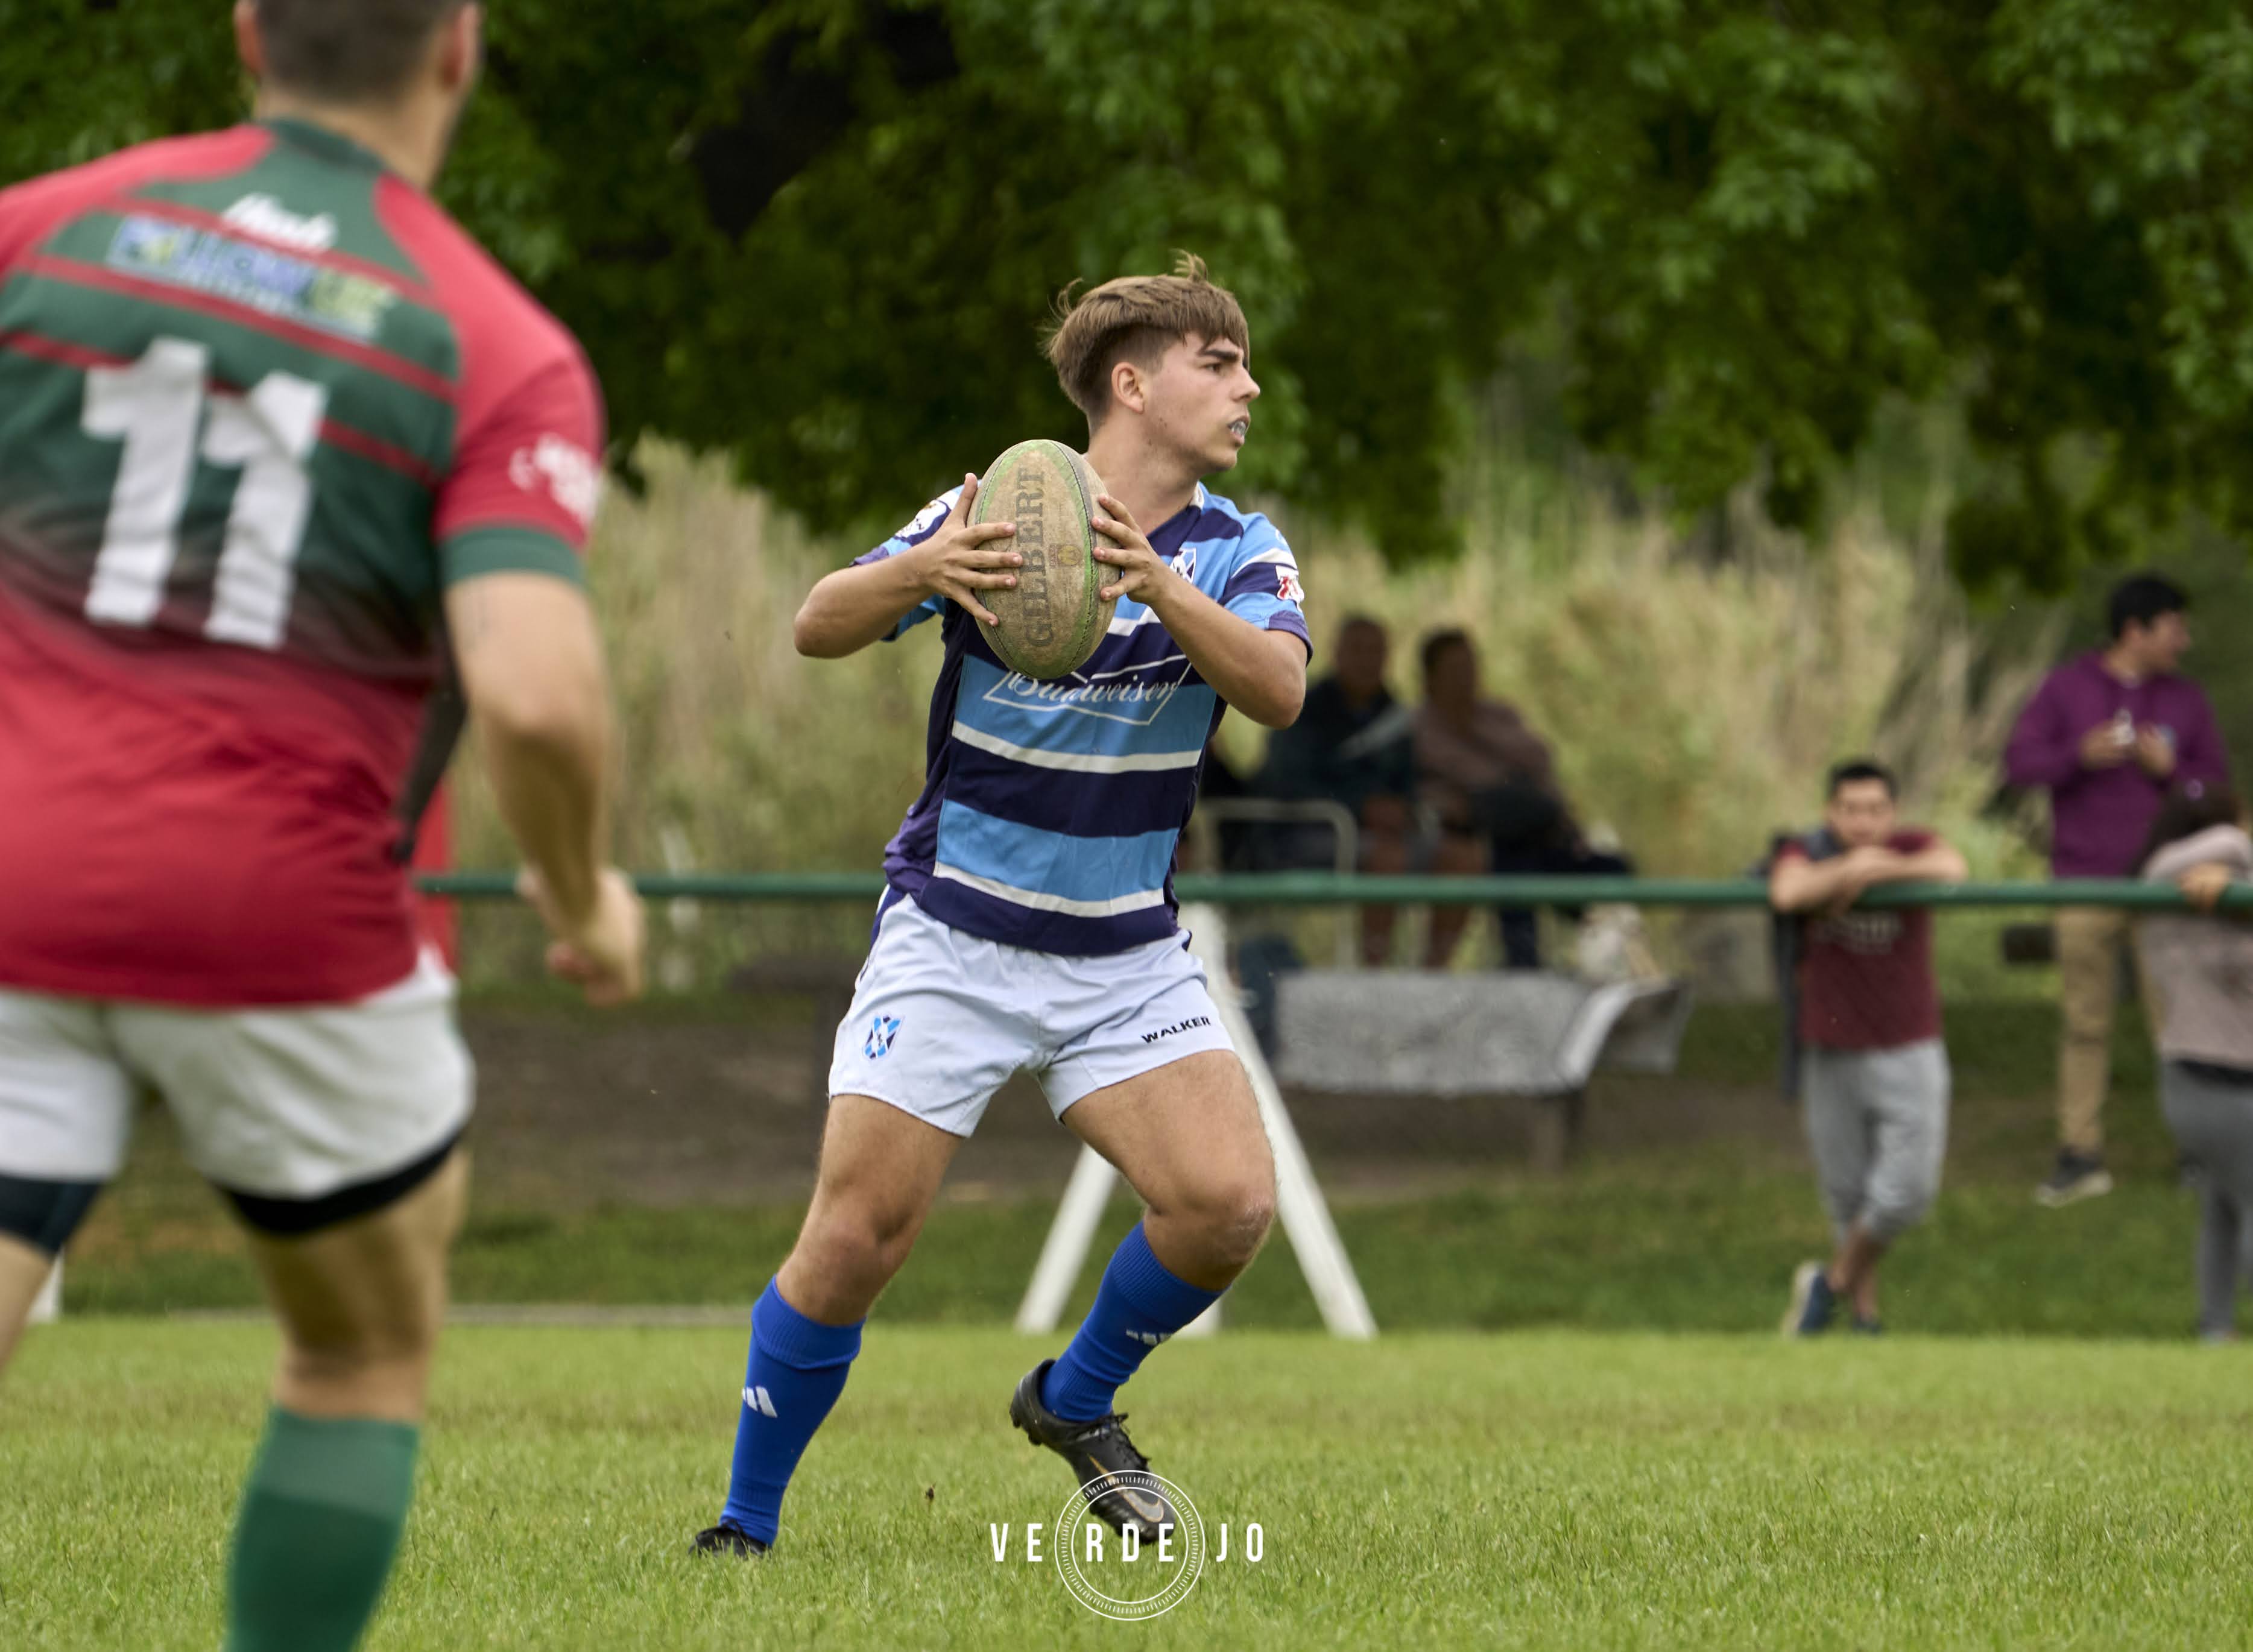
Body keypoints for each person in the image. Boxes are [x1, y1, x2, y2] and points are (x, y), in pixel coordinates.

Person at [0, 5, 646, 1650]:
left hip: (13, 877)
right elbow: (541, 699)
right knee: (357, 1349)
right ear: (459, 50)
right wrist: (581, 895)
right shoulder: (495, 345)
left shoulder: (40, 231)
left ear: (244, 34)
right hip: (279, 923)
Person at [696, 254, 1307, 1557]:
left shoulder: (1237, 548)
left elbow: (1275, 691)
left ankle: (1071, 1400)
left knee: (1225, 1205)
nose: (1247, 386)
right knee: (857, 1235)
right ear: (1131, 384)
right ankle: (744, 1526)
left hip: (1121, 955)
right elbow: (815, 621)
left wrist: (1159, 585)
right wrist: (926, 567)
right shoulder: (994, 509)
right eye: (1220, 362)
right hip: (953, 936)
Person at [2004, 573, 2229, 1206]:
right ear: (2136, 630)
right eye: (2174, 627)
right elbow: (2019, 765)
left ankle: (2200, 1151)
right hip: (2083, 881)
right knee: (2084, 1022)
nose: (2182, 640)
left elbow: (2217, 793)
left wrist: (2170, 773)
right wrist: (2078, 755)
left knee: (2183, 1024)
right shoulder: (2065, 690)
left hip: (2167, 888)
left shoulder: (2186, 701)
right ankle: (2080, 1155)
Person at [1772, 761, 1967, 1336]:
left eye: (1875, 810)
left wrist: (1875, 867)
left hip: (1910, 1043)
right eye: (1850, 810)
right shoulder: (1802, 850)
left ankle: (1827, 1286)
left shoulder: (1912, 845)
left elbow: (1951, 867)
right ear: (1831, 812)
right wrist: (1845, 870)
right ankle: (1863, 1318)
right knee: (1847, 1196)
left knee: (1906, 1192)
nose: (1863, 821)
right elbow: (1788, 892)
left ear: (1893, 813)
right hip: (1831, 1047)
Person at [1415, 628, 1628, 968]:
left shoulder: (1498, 716)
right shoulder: (1420, 726)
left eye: (1470, 666)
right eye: (1455, 669)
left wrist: (1476, 731)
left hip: (1533, 834)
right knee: (1514, 853)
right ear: (1431, 676)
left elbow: (1539, 759)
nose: (1466, 677)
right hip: (1476, 838)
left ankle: (1556, 953)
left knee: (1611, 868)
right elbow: (1470, 776)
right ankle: (1525, 958)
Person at [2135, 787, 2253, 1341]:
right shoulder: (2172, 893)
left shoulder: (2232, 901)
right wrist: (2235, 859)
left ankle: (2215, 1328)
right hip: (2212, 1076)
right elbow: (2169, 866)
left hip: (2205, 1075)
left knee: (2223, 1207)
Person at [1254, 614, 1417, 962]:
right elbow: (1286, 782)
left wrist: (1406, 809)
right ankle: (1374, 971)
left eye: (1375, 650)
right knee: (1387, 857)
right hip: (1302, 833)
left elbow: (1410, 781)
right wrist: (1361, 806)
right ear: (1338, 653)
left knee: (1460, 853)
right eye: (1357, 649)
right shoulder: (1302, 709)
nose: (1366, 659)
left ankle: (1437, 972)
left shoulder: (1396, 716)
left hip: (1386, 836)